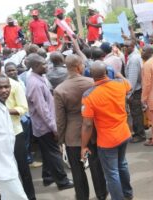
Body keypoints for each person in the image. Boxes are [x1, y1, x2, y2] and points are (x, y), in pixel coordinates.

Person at [0, 56, 36, 200]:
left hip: (15, 132)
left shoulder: (15, 85)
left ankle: (30, 196)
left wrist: (6, 111)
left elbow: (23, 108)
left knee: (22, 168)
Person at [54, 55, 107, 200]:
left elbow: (60, 119)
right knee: (97, 165)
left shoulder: (60, 90)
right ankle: (102, 194)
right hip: (94, 131)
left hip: (73, 135)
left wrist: (61, 139)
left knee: (77, 170)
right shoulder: (92, 83)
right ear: (78, 66)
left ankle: (82, 196)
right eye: (83, 65)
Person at [81, 61, 133, 200]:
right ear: (107, 71)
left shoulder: (89, 95)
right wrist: (118, 74)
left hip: (107, 140)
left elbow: (87, 124)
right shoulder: (120, 84)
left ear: (91, 75)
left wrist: (83, 145)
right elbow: (129, 85)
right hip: (124, 133)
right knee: (122, 164)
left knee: (112, 173)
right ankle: (128, 194)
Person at [25, 53, 74, 190]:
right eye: (44, 64)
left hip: (45, 124)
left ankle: (48, 177)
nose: (47, 66)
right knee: (54, 153)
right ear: (35, 66)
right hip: (45, 126)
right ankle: (62, 182)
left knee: (48, 153)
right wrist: (54, 128)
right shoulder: (35, 83)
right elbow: (43, 110)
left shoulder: (39, 78)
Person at [124, 39, 146, 143]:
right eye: (124, 45)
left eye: (127, 46)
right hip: (137, 90)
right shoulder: (134, 57)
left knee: (136, 114)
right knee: (137, 113)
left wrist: (128, 94)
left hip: (135, 91)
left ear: (132, 46)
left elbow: (132, 79)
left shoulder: (133, 60)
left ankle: (140, 135)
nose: (125, 47)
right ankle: (138, 133)